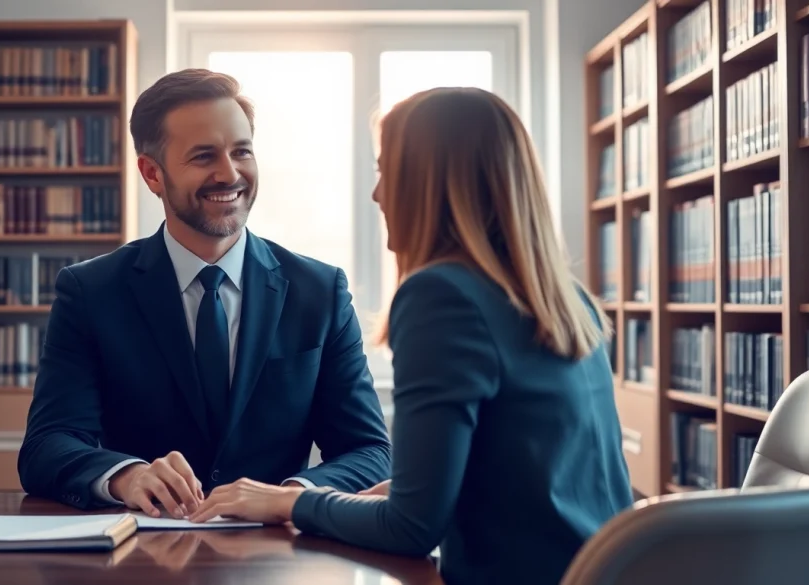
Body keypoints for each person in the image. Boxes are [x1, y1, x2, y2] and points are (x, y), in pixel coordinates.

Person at [188, 87, 634, 585]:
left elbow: (412, 527)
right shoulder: (565, 297)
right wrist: (361, 496)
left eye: (385, 171)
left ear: (431, 182)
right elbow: (513, 477)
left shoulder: (441, 297)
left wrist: (290, 500)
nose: (377, 194)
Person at [17, 68, 392, 516]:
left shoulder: (321, 291)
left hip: (279, 560)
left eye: (241, 152)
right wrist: (126, 475)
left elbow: (369, 451)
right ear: (152, 174)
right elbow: (47, 445)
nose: (229, 174)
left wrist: (288, 497)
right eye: (203, 157)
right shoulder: (90, 292)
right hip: (143, 556)